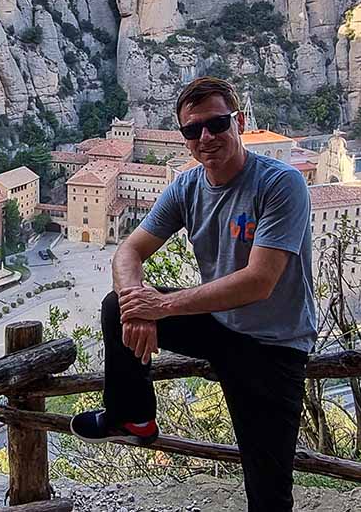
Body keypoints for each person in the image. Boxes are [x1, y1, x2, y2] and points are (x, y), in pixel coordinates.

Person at [69, 76, 315, 511]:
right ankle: (134, 416)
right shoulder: (187, 186)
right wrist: (137, 307)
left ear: (238, 122)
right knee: (115, 305)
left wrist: (161, 305)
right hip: (219, 324)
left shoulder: (280, 184)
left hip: (273, 344)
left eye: (217, 124)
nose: (206, 137)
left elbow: (260, 281)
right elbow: (129, 250)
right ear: (183, 136)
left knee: (267, 485)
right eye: (192, 130)